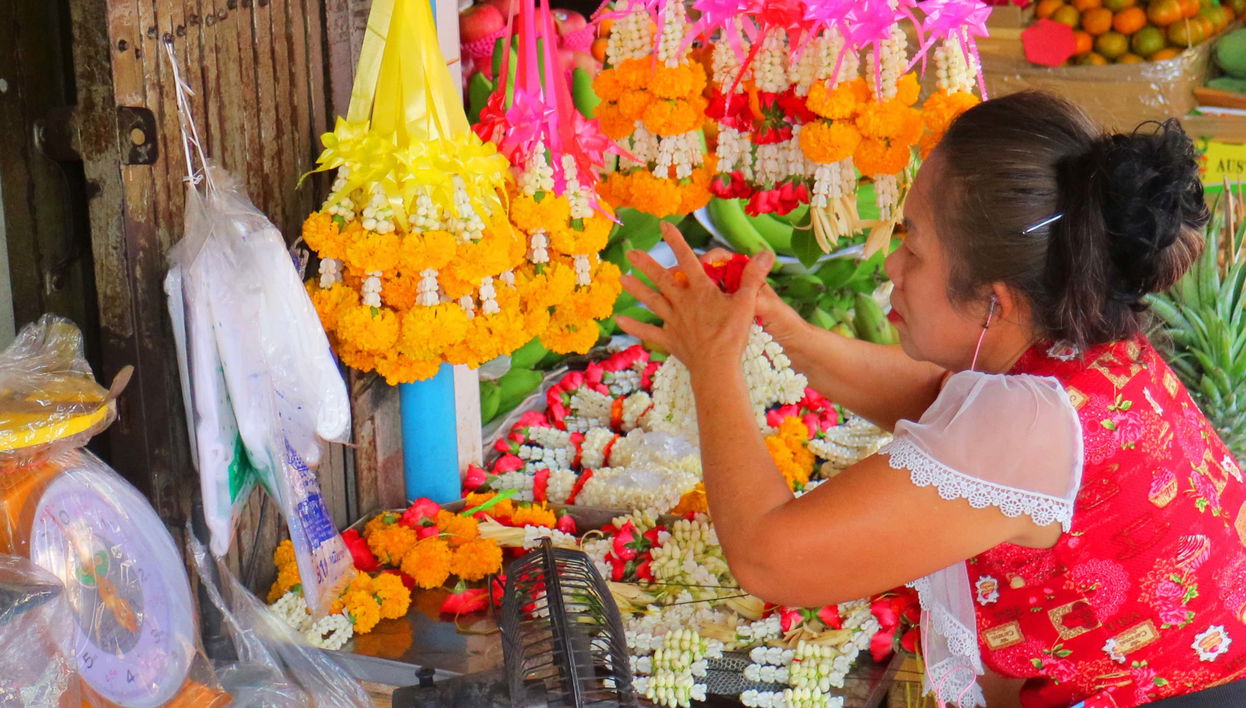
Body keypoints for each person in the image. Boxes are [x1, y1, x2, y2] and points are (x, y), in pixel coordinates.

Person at [615, 91, 1246, 708]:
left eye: (913, 247)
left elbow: (771, 559)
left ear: (995, 301)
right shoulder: (1079, 342)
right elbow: (936, 398)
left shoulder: (1024, 425)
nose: (892, 265)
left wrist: (714, 361)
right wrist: (791, 339)